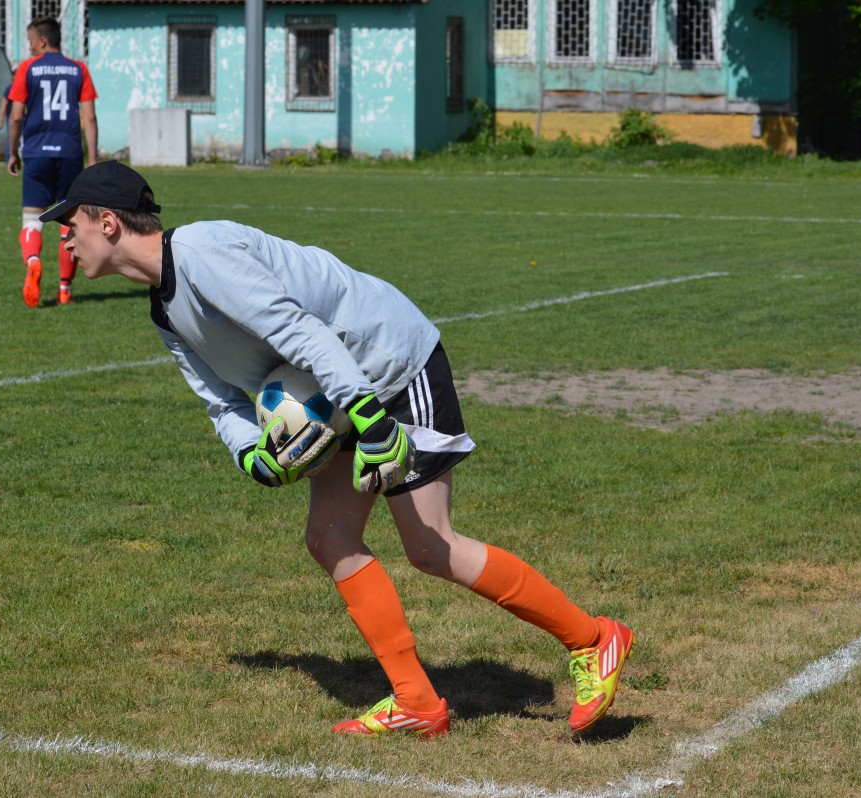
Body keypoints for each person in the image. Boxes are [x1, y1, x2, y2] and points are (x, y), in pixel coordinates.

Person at [40, 160, 636, 738]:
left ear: (108, 222)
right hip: (331, 392)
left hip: (387, 366)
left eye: (71, 224)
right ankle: (417, 702)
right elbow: (221, 402)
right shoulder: (164, 311)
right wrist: (252, 456)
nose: (65, 239)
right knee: (330, 539)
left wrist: (372, 419)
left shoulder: (201, 252)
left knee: (430, 545)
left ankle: (594, 639)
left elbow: (300, 330)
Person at [7, 16, 98, 307]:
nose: (29, 47)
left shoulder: (27, 68)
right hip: (70, 153)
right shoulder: (79, 69)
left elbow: (16, 116)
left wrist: (13, 152)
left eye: (31, 41)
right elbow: (89, 117)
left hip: (36, 153)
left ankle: (33, 261)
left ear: (43, 41)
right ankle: (64, 290)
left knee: (32, 220)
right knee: (69, 225)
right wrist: (92, 158)